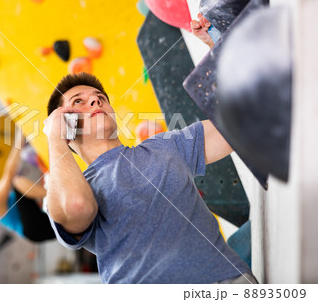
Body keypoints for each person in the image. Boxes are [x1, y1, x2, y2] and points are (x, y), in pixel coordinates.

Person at [43, 72, 258, 283]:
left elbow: (238, 127)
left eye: (100, 98)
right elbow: (77, 205)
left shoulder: (165, 146)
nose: (95, 100)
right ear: (66, 126)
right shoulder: (76, 189)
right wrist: (54, 137)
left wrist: (215, 48)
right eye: (78, 101)